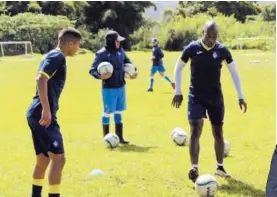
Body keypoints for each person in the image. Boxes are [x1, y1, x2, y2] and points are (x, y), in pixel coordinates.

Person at [172, 21, 247, 183]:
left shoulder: (222, 50)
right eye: (208, 36)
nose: (211, 40)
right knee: (195, 128)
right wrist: (178, 91)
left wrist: (240, 95)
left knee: (218, 132)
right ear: (202, 33)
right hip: (196, 96)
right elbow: (178, 68)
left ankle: (220, 167)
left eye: (214, 37)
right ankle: (194, 167)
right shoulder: (192, 48)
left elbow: (234, 73)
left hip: (215, 97)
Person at [26, 27, 82, 197]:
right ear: (70, 43)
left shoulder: (52, 55)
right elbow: (41, 79)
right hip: (42, 113)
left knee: (43, 160)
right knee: (59, 159)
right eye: (78, 45)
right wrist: (46, 109)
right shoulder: (57, 56)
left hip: (35, 112)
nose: (78, 48)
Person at [89, 30, 137, 144]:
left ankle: (120, 137)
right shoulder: (101, 54)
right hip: (108, 88)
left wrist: (134, 72)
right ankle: (107, 138)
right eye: (117, 41)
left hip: (121, 86)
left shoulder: (120, 51)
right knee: (107, 112)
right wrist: (100, 76)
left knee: (118, 111)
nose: (119, 43)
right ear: (111, 42)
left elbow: (128, 63)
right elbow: (92, 70)